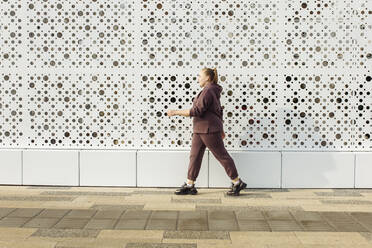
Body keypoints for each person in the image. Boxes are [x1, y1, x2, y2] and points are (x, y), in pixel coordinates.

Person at [167, 67, 247, 196]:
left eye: (199, 76)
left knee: (222, 156)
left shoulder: (209, 91)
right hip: (200, 129)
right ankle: (190, 184)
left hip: (208, 129)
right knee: (195, 157)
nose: (197, 78)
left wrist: (175, 112)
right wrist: (221, 128)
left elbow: (197, 111)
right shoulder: (208, 90)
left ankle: (237, 183)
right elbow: (218, 110)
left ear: (208, 78)